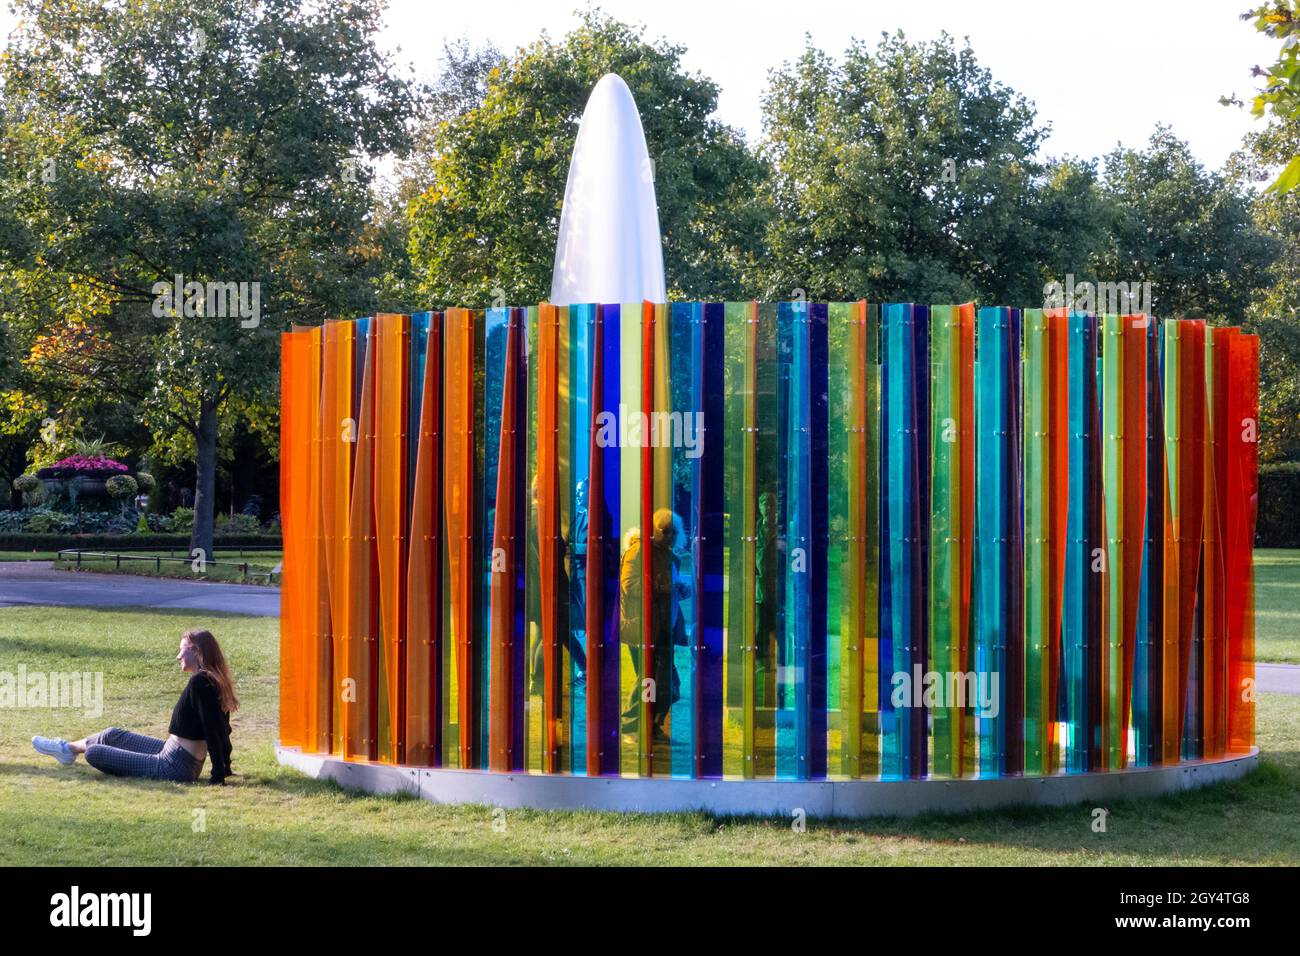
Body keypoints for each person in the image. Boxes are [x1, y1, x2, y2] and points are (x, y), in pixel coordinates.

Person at [32, 629, 237, 785]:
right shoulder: (213, 680)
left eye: (181, 649)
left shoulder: (201, 682)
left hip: (174, 766)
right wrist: (225, 766)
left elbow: (214, 730)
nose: (178, 656)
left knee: (94, 752)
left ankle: (70, 750)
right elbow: (222, 729)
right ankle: (66, 749)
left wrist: (218, 775)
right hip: (173, 753)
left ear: (196, 651)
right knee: (112, 734)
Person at [619, 509, 680, 742]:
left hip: (665, 624)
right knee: (649, 677)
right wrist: (662, 588)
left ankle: (651, 724)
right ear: (654, 530)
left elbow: (670, 587)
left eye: (674, 532)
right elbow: (629, 586)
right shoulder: (639, 551)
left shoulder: (668, 555)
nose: (670, 537)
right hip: (643, 625)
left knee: (666, 681)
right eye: (665, 532)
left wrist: (677, 590)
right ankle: (635, 724)